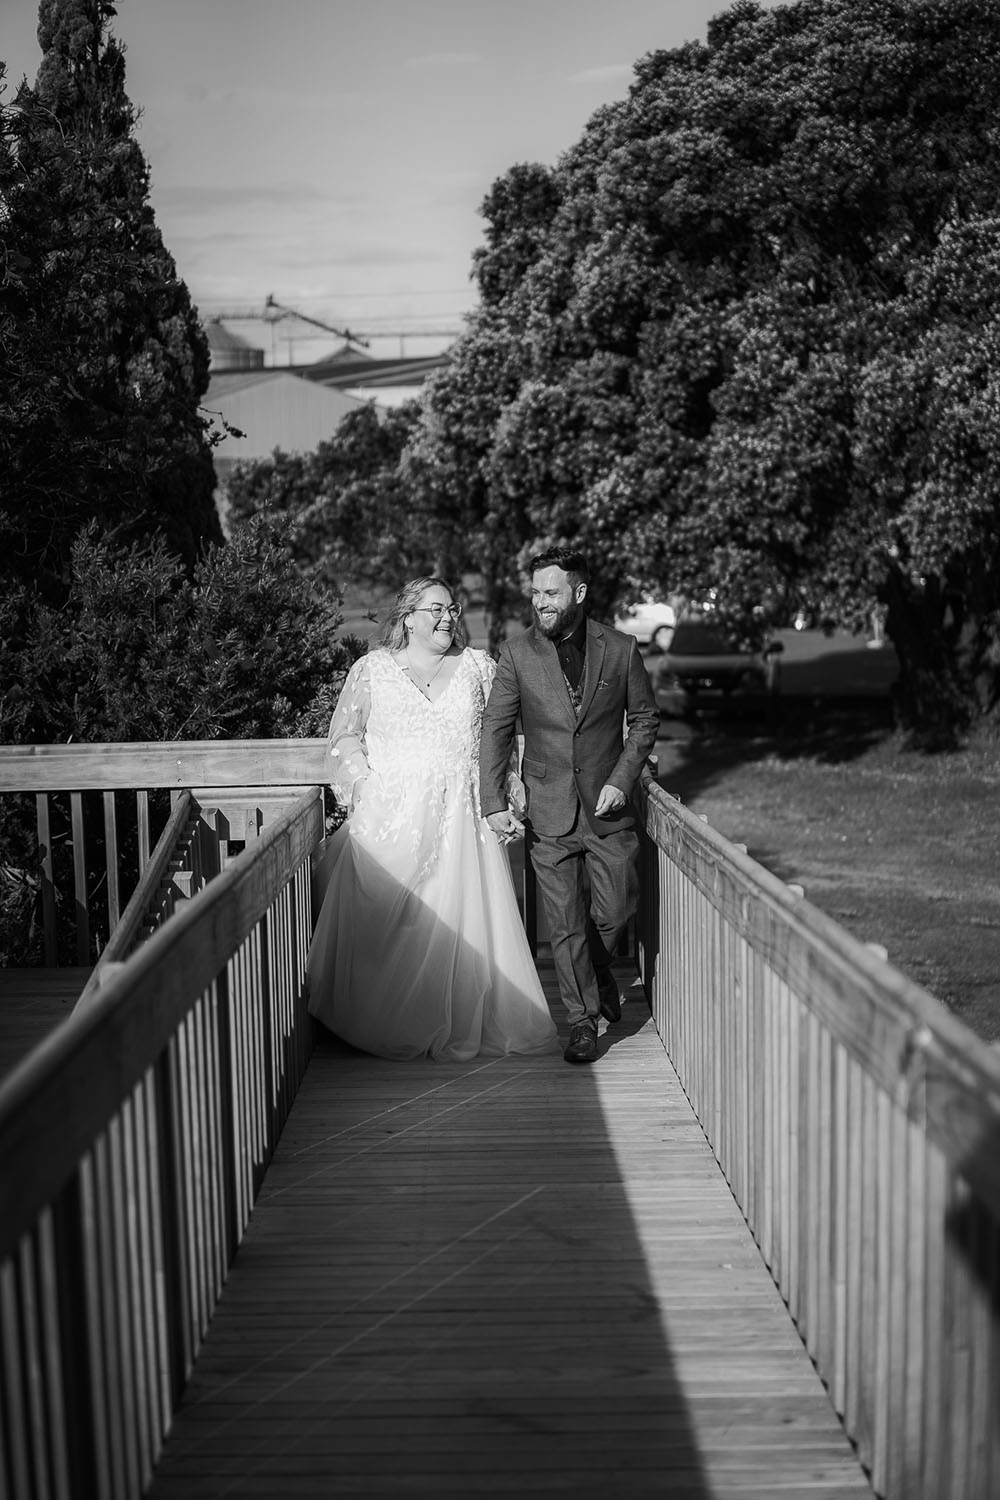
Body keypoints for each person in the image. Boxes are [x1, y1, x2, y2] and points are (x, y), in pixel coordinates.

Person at [307, 576, 557, 1062]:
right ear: (408, 617)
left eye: (453, 609)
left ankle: (451, 1020)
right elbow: (344, 739)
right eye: (436, 609)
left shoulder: (477, 668)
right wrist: (364, 787)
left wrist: (505, 795)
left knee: (459, 922)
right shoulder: (372, 670)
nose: (448, 617)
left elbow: (499, 739)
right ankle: (383, 1020)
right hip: (392, 816)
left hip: (463, 822)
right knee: (395, 919)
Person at [479, 548, 659, 1065]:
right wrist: (493, 800)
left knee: (618, 907)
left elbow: (644, 721)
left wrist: (624, 780)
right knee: (564, 922)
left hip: (608, 810)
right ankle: (582, 1023)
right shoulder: (517, 654)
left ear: (578, 593)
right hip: (548, 809)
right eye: (535, 592)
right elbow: (496, 729)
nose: (540, 602)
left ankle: (599, 971)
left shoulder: (621, 650)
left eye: (551, 592)